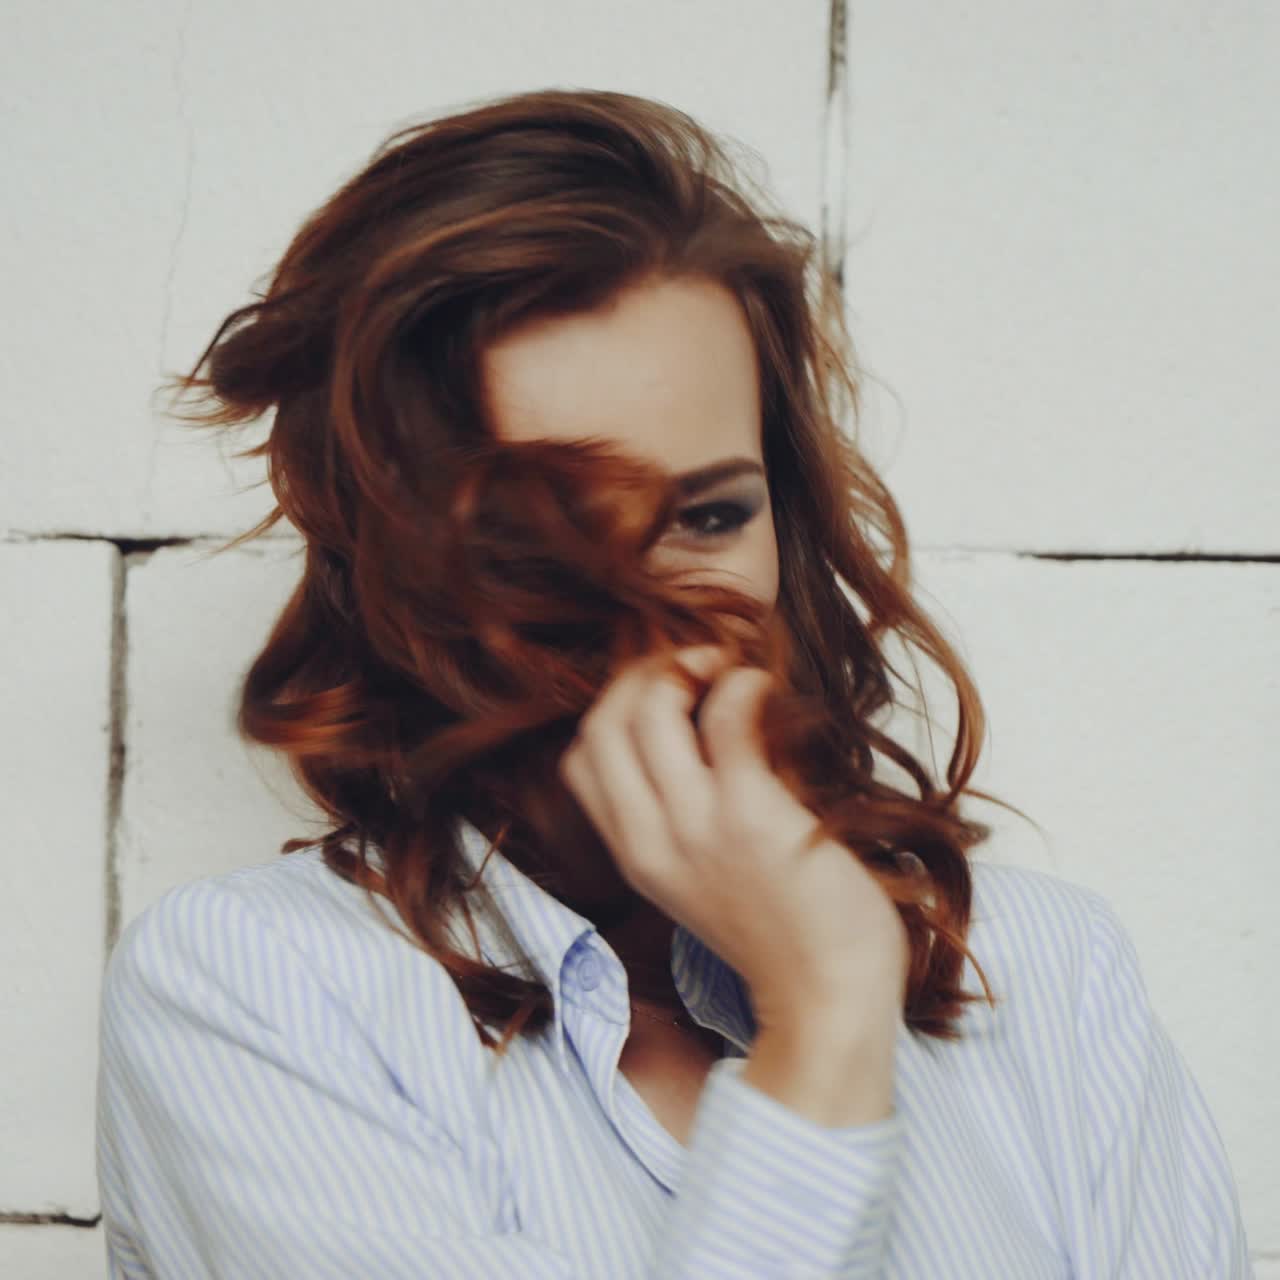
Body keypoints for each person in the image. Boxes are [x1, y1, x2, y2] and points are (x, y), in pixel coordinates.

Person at [95, 88, 1253, 1278]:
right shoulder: (259, 988)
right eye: (542, 533)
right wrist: (821, 1021)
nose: (654, 612)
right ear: (387, 560)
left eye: (707, 515)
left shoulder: (1041, 967)